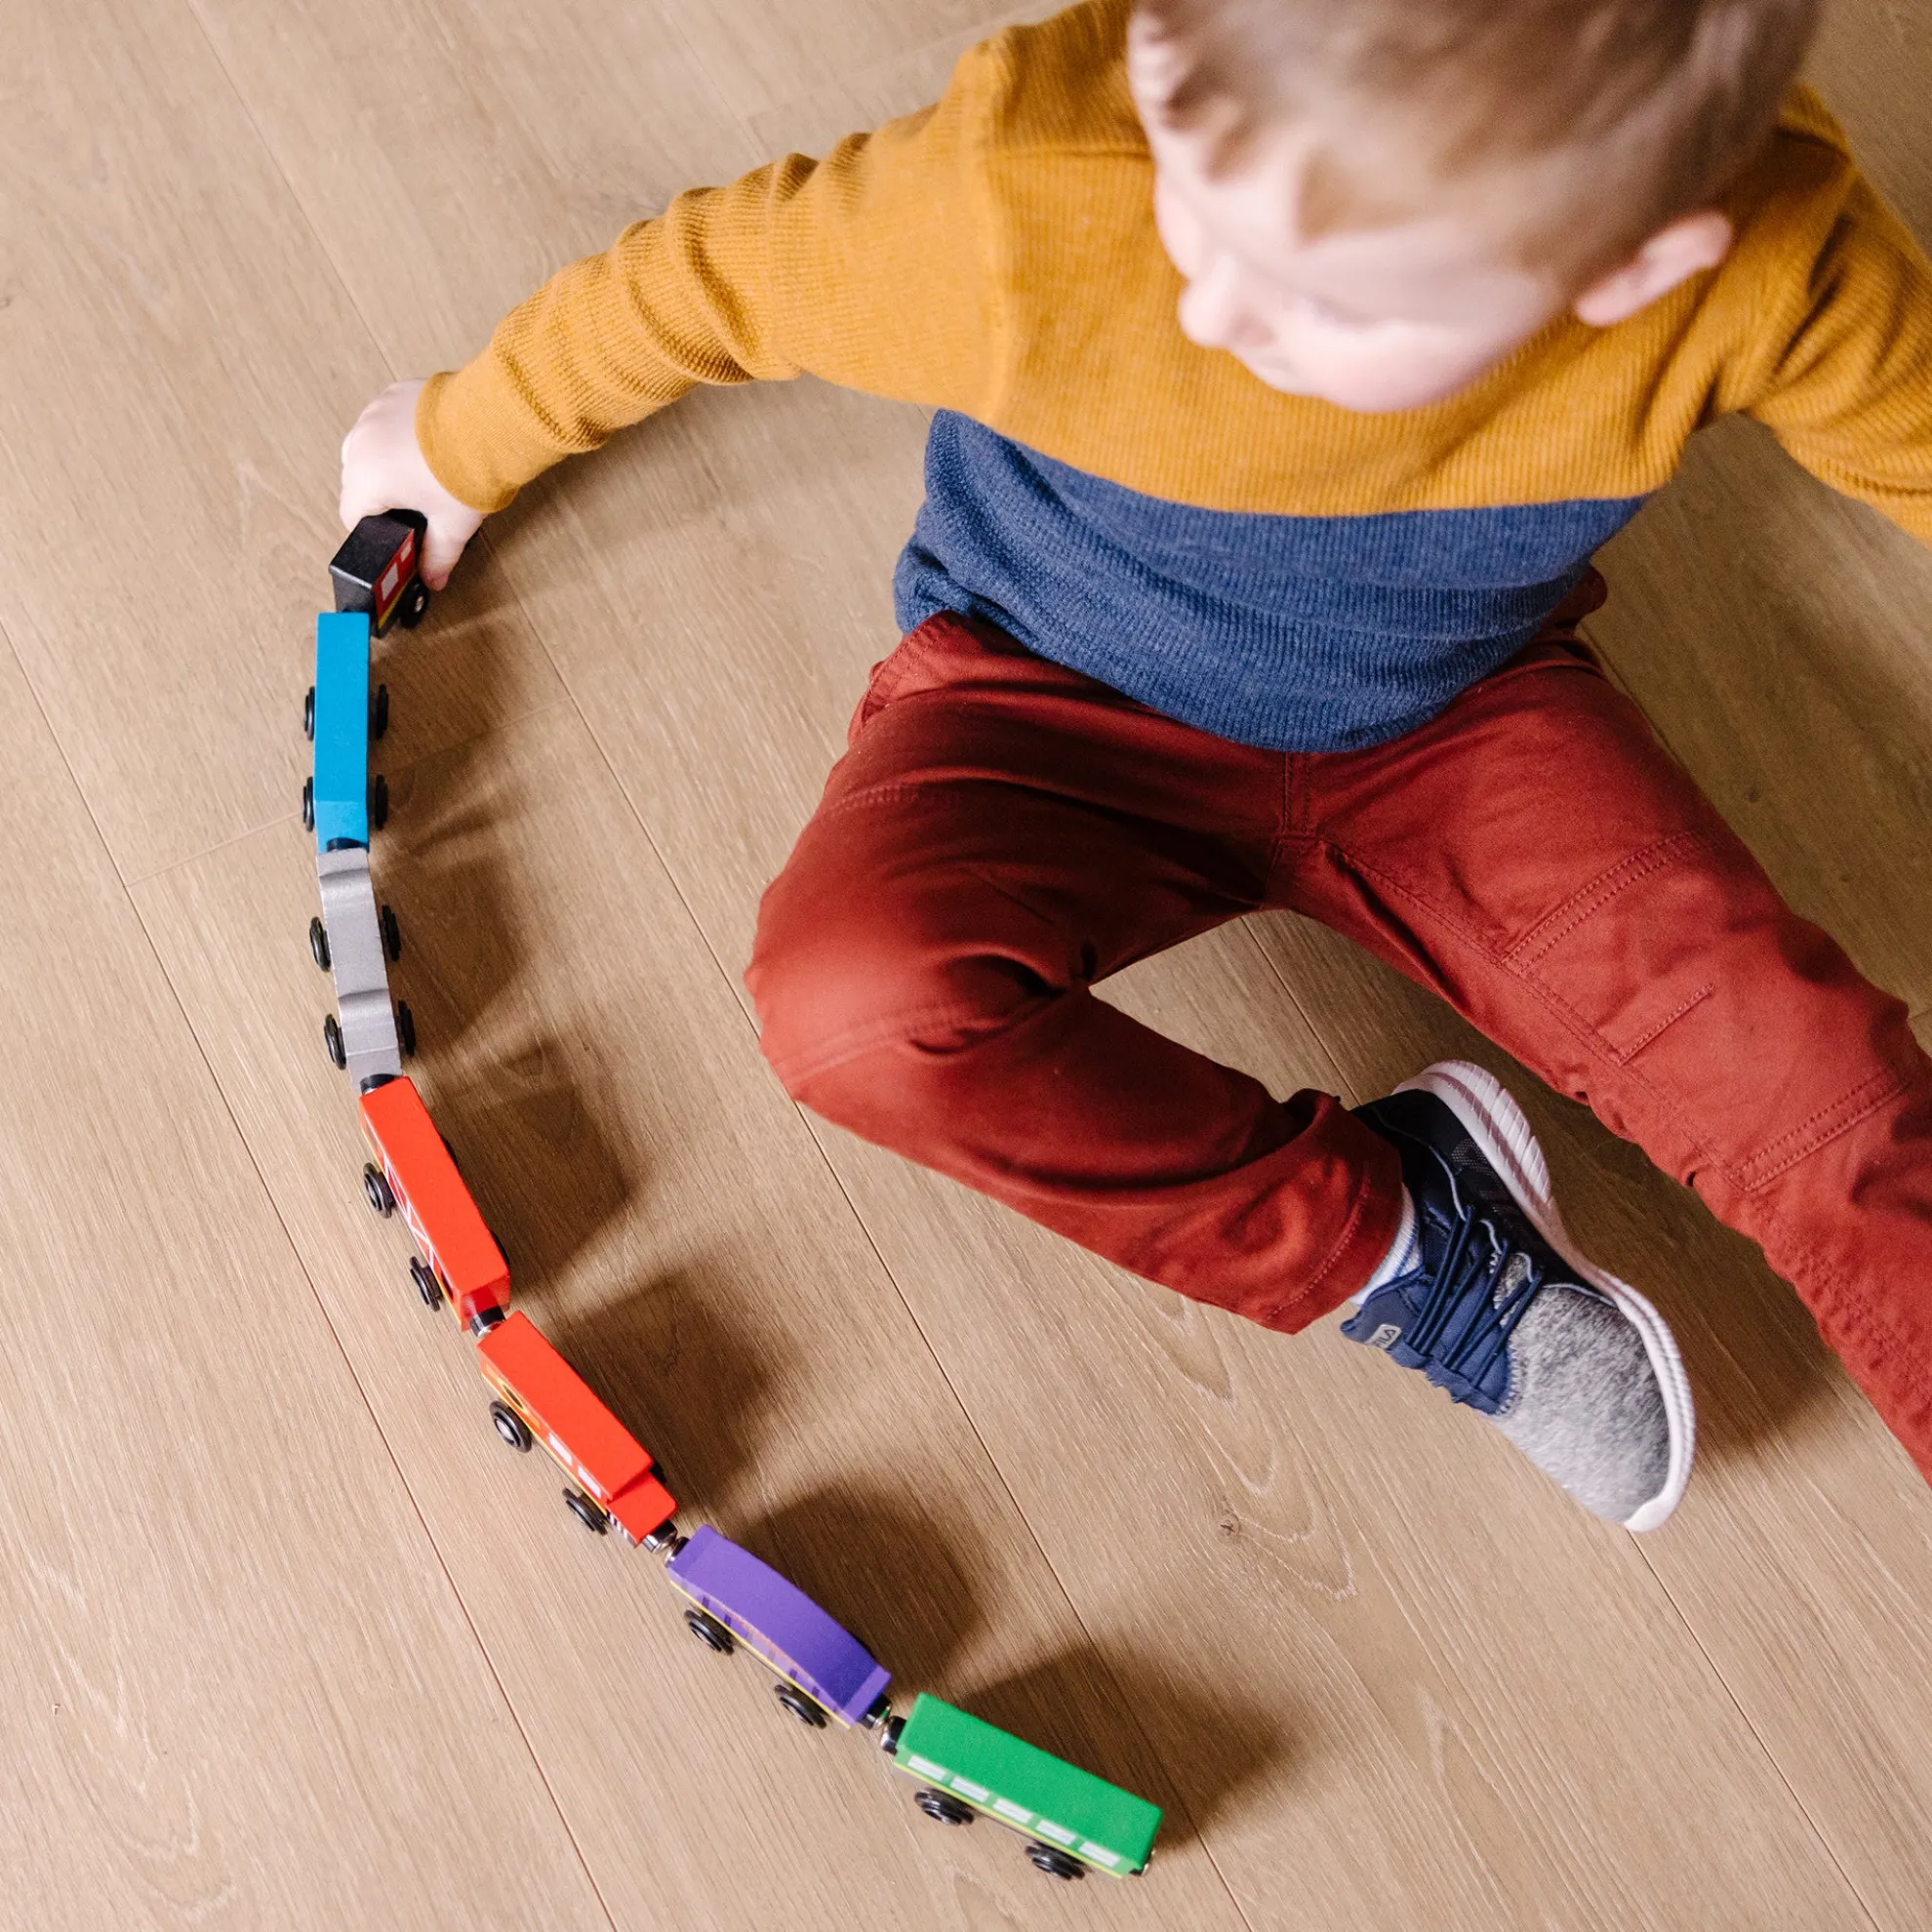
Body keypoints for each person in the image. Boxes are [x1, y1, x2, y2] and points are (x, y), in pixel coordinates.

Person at [339, 0, 1932, 1530]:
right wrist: (448, 445)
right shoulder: (1027, 199)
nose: (1219, 312)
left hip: (1461, 718)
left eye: (1327, 299)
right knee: (854, 1005)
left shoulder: (1772, 251)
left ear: (1634, 258)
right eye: (1199, 213)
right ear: (1168, 56)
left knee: (1840, 1113)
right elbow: (698, 286)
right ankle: (1400, 1240)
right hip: (1045, 698)